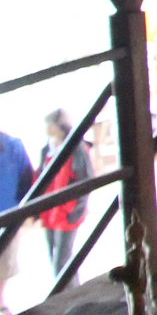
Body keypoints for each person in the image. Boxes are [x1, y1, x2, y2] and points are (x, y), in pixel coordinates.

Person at [37, 110, 92, 276]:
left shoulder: (76, 149)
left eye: (49, 125)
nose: (47, 128)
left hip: (66, 211)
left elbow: (86, 181)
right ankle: (71, 288)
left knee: (62, 260)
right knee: (54, 255)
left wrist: (76, 211)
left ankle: (69, 290)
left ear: (58, 126)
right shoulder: (47, 149)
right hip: (49, 210)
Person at [0, 125, 32, 315]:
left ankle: (0, 301)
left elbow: (27, 178)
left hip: (10, 214)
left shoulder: (13, 146)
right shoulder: (12, 145)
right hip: (11, 212)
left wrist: (26, 210)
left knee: (5, 261)